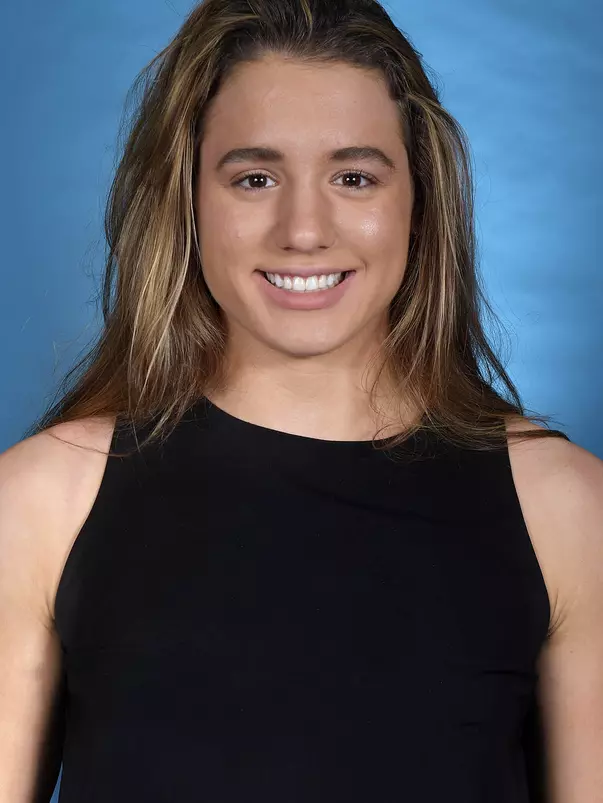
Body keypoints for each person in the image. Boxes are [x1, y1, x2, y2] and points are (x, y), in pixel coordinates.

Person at [1, 0, 601, 800]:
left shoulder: (566, 512)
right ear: (186, 198)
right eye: (254, 177)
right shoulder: (40, 502)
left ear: (418, 202)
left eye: (353, 176)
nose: (304, 229)